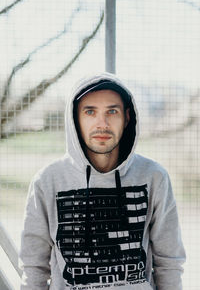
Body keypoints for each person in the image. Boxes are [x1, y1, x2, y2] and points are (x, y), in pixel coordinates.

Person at [19, 72, 186, 290]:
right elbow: (34, 268)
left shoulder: (154, 176)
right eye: (90, 112)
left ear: (126, 117)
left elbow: (169, 263)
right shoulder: (48, 181)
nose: (102, 123)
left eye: (112, 111)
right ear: (75, 119)